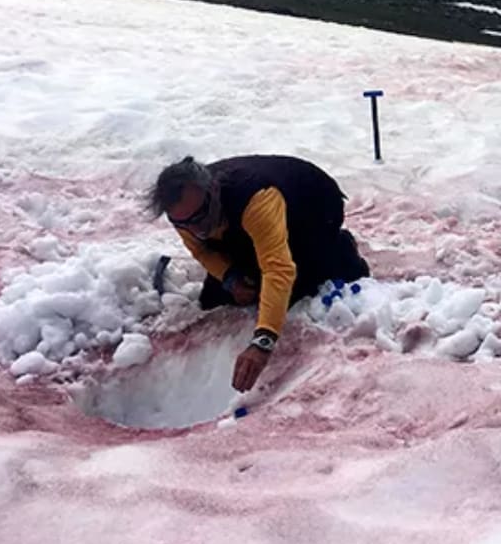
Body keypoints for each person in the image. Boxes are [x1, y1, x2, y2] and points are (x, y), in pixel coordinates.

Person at [145, 154, 370, 392]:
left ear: (212, 192)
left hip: (313, 205)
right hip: (239, 220)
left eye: (199, 218)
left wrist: (263, 342)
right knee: (216, 298)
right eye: (183, 223)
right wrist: (230, 278)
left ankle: (340, 250)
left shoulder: (255, 199)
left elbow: (278, 270)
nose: (195, 229)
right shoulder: (184, 212)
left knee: (296, 291)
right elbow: (202, 250)